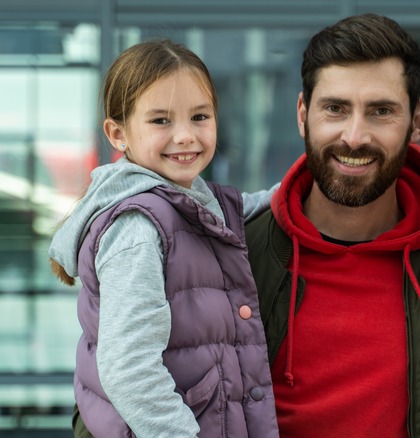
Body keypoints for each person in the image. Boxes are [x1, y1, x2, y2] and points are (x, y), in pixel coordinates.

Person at [243, 13, 420, 437]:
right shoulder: (234, 257)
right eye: (335, 109)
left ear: (417, 120)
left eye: (380, 111)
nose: (355, 136)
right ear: (303, 114)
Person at [49, 39, 279, 437]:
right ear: (118, 134)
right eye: (161, 121)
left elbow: (257, 205)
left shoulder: (193, 200)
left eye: (200, 116)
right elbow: (129, 369)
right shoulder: (137, 228)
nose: (186, 135)